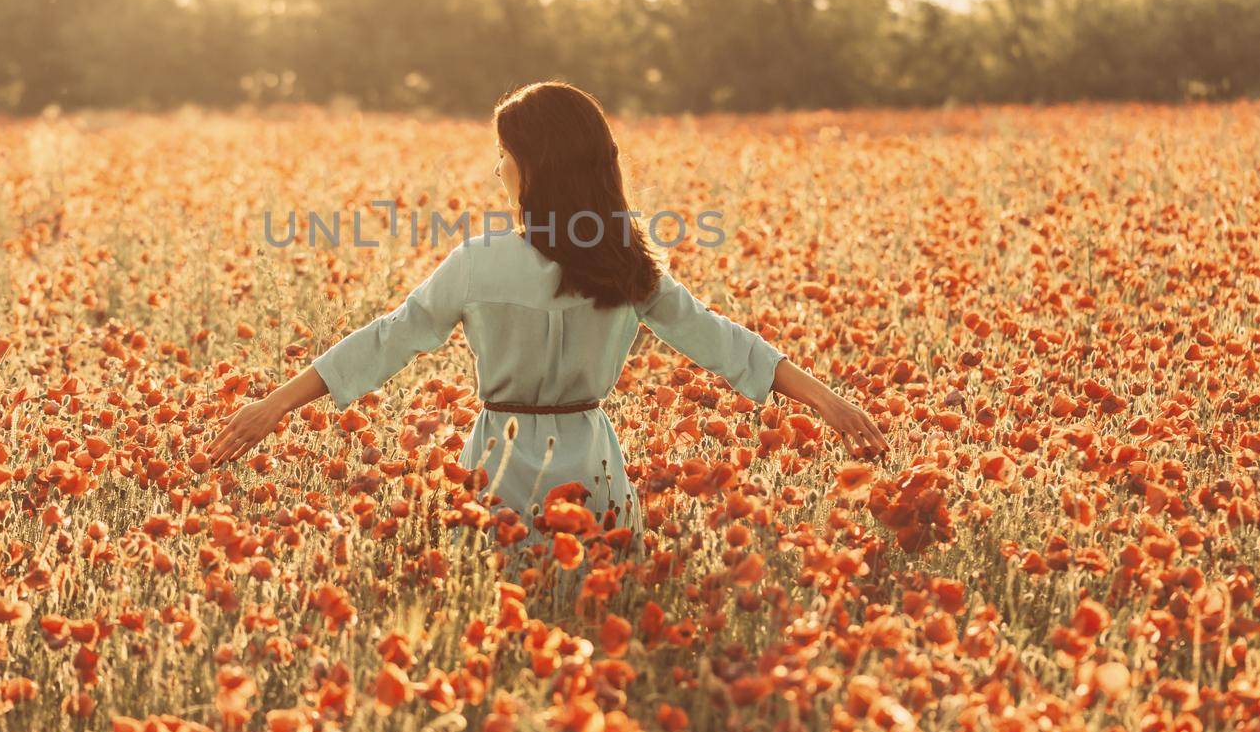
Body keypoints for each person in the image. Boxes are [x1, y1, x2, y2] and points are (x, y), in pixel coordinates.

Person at [206, 81, 889, 544]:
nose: (495, 170)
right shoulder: (627, 264)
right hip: (594, 471)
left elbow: (390, 339)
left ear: (532, 165)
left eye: (502, 155)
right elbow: (722, 341)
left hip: (497, 471)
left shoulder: (479, 262)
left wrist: (272, 406)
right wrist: (830, 402)